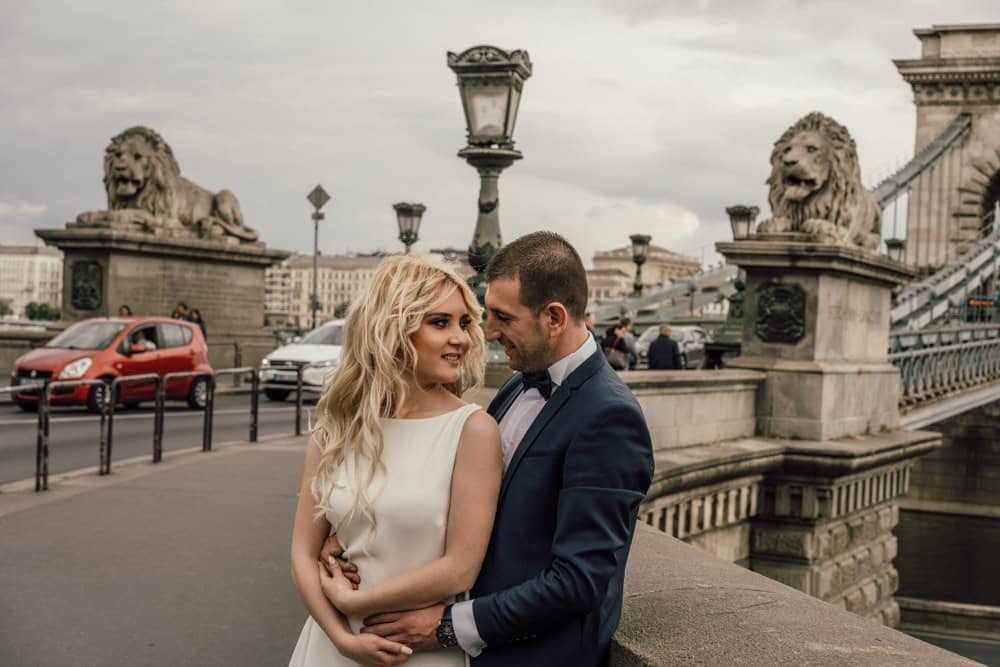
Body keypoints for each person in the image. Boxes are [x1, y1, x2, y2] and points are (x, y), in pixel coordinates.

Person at [323, 232, 653, 666]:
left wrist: (446, 626)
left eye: (502, 317)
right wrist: (356, 531)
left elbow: (578, 581)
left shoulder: (609, 416)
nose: (488, 332)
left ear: (554, 317)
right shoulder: (518, 385)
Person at [289, 255, 502, 666]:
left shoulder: (473, 430)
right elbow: (302, 553)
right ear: (392, 328)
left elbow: (460, 568)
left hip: (416, 653)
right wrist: (342, 638)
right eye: (440, 322)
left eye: (464, 323)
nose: (460, 338)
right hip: (329, 647)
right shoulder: (336, 428)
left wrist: (356, 602)